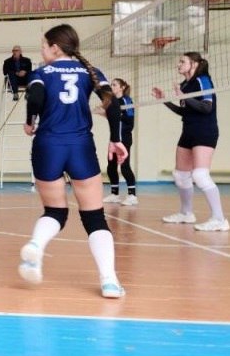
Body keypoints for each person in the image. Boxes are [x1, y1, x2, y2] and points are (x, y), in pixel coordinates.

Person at [18, 23, 129, 299]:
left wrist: (30, 121)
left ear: (55, 48)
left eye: (43, 46)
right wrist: (116, 139)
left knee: (55, 211)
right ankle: (109, 281)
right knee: (94, 217)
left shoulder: (41, 73)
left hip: (48, 146)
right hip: (80, 147)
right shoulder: (91, 72)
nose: (42, 52)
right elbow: (113, 103)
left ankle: (36, 246)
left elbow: (36, 97)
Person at [152, 52, 227, 231]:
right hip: (188, 131)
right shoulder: (185, 85)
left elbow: (207, 107)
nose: (178, 64)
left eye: (182, 61)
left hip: (205, 131)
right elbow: (185, 111)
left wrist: (183, 96)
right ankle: (186, 213)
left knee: (200, 175)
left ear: (194, 64)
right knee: (180, 175)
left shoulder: (203, 80)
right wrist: (165, 100)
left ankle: (219, 219)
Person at [96, 78, 137, 206]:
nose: (112, 87)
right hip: (114, 138)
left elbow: (129, 120)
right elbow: (114, 118)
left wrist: (106, 113)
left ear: (122, 87)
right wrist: (104, 113)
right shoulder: (112, 102)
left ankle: (132, 195)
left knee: (124, 166)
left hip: (124, 138)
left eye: (114, 85)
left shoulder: (126, 100)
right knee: (111, 166)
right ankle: (114, 194)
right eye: (111, 85)